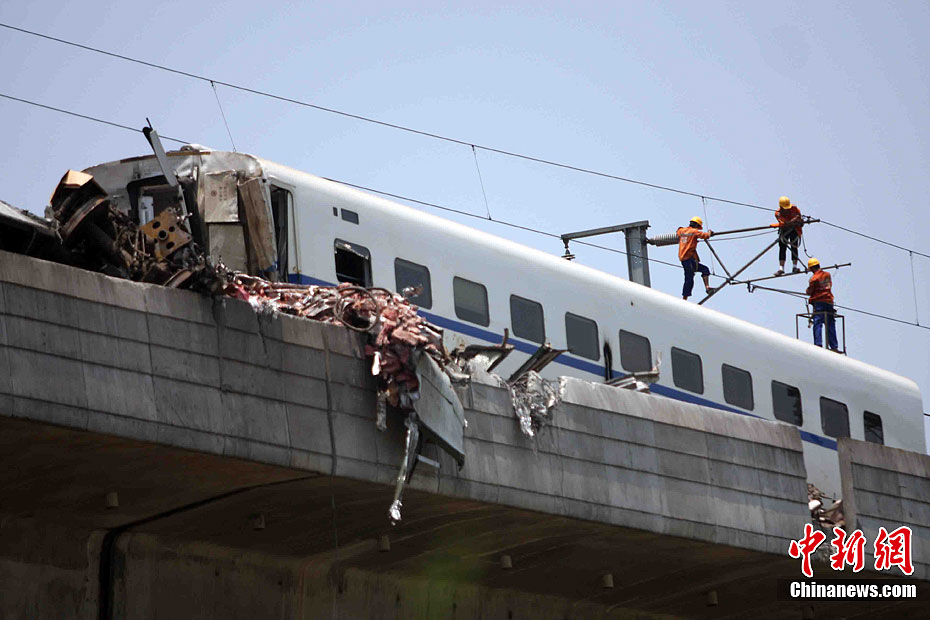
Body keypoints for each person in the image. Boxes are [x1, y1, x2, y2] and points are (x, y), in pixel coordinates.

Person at [677, 216, 715, 300]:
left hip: (684, 259)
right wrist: (709, 232)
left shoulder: (682, 231)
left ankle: (707, 288)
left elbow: (678, 230)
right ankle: (685, 298)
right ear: (697, 225)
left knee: (704, 270)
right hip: (688, 259)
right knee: (689, 277)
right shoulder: (694, 232)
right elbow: (706, 235)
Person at [806, 257, 839, 352]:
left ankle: (818, 344)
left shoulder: (814, 278)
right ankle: (834, 346)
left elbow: (810, 291)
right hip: (829, 302)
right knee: (830, 324)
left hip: (819, 302)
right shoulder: (827, 275)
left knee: (818, 323)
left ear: (812, 268)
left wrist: (808, 291)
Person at [771, 196, 804, 276]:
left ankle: (794, 267)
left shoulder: (795, 209)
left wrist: (797, 221)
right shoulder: (778, 213)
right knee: (782, 247)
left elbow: (801, 221)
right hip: (785, 230)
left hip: (794, 230)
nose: (787, 209)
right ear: (781, 207)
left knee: (794, 246)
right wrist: (794, 220)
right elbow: (786, 223)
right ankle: (781, 269)